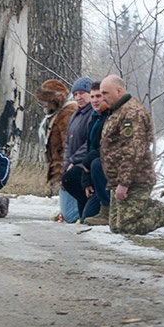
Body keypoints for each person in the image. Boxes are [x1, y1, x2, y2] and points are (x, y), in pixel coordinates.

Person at [99, 74, 164, 235]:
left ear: (119, 90)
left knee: (126, 227)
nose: (102, 97)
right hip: (118, 179)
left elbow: (133, 150)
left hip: (135, 179)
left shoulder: (131, 113)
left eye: (105, 93)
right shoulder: (117, 111)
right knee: (116, 227)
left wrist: (124, 182)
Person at [59, 77, 95, 222]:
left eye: (82, 93)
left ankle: (88, 212)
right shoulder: (76, 115)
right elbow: (68, 143)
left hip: (84, 163)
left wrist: (75, 161)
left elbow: (90, 142)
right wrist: (67, 163)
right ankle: (82, 214)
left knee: (72, 179)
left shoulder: (93, 114)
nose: (78, 97)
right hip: (72, 163)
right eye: (76, 94)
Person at [35, 79, 77, 201]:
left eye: (47, 101)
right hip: (57, 167)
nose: (45, 105)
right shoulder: (57, 113)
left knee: (69, 212)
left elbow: (69, 145)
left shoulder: (68, 113)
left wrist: (66, 170)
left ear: (56, 100)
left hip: (64, 169)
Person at [79, 82, 111, 225]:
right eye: (92, 96)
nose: (95, 100)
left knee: (96, 163)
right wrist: (87, 180)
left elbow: (109, 147)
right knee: (71, 176)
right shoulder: (94, 118)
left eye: (98, 96)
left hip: (107, 170)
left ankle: (107, 207)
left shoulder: (111, 117)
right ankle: (85, 206)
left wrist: (88, 160)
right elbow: (90, 148)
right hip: (92, 169)